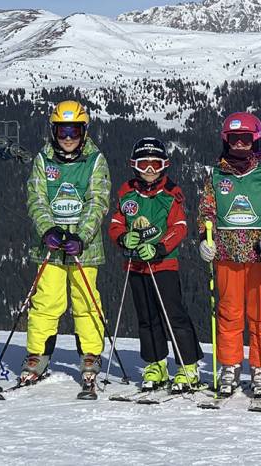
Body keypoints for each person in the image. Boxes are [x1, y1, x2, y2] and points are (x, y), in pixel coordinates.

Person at [196, 111, 261, 398]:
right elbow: (206, 211)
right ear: (226, 141)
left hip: (259, 255)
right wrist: (204, 239)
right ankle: (230, 364)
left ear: (255, 141)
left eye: (246, 139)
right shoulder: (216, 174)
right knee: (228, 313)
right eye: (234, 139)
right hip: (225, 253)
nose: (240, 145)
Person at [19, 100, 111, 398]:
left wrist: (82, 235)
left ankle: (90, 355)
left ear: (83, 130)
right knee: (47, 300)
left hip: (85, 247)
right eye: (61, 130)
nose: (67, 138)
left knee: (86, 300)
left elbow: (98, 200)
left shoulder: (95, 160)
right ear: (53, 130)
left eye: (73, 131)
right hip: (51, 245)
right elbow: (36, 198)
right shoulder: (44, 160)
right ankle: (37, 355)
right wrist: (47, 229)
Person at [108, 137, 202, 393]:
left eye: (155, 164)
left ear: (164, 165)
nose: (149, 170)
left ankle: (188, 366)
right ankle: (155, 363)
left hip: (164, 264)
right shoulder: (126, 192)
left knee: (173, 315)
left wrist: (160, 248)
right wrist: (122, 238)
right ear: (134, 165)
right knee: (146, 317)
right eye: (144, 164)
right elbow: (116, 224)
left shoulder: (171, 193)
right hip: (135, 265)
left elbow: (180, 227)